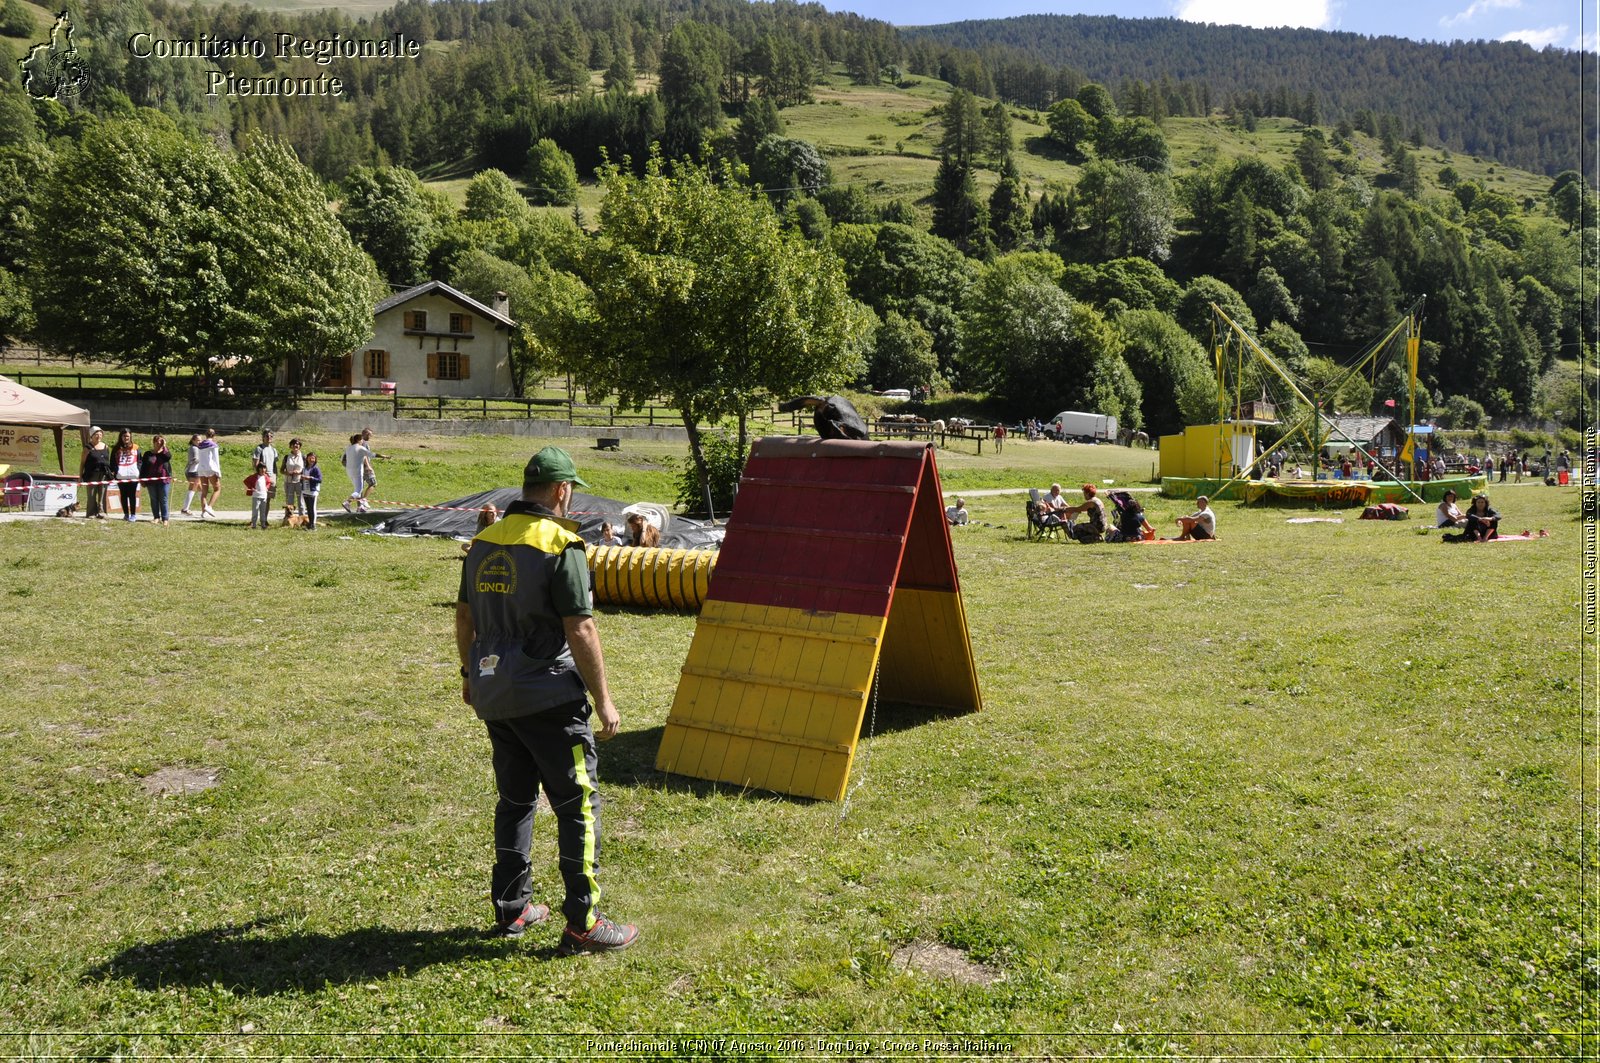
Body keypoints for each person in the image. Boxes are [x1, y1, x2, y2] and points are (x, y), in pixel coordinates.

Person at [456, 446, 639, 953]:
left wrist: (470, 673)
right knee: (577, 804)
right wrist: (604, 701)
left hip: (494, 693)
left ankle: (512, 911)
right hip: (549, 698)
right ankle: (584, 924)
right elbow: (579, 626)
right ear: (562, 491)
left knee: (515, 801)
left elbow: (464, 618)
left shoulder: (483, 541)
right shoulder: (562, 545)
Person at [140, 435, 172, 526]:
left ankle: (165, 519)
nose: (159, 443)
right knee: (154, 499)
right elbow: (143, 467)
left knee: (164, 499)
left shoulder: (165, 453)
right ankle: (156, 517)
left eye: (161, 441)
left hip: (164, 479)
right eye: (157, 441)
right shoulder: (148, 454)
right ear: (153, 442)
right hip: (151, 480)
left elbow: (168, 457)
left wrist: (164, 446)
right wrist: (142, 479)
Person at [79, 427, 111, 520]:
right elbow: (82, 463)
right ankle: (91, 512)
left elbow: (107, 459)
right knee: (91, 494)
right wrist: (80, 476)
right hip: (91, 474)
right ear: (92, 436)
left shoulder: (106, 446)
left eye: (100, 434)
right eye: (96, 434)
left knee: (103, 493)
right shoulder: (87, 448)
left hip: (104, 474)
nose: (99, 436)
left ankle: (102, 512)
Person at [111, 429, 141, 522]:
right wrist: (116, 471)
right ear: (121, 437)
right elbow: (112, 462)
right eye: (124, 436)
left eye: (127, 436)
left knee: (132, 495)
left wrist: (138, 470)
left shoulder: (136, 447)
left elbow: (140, 461)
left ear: (130, 436)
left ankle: (133, 515)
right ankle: (126, 514)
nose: (126, 438)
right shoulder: (116, 448)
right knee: (123, 495)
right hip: (121, 475)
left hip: (133, 475)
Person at [194, 428, 222, 518]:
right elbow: (216, 459)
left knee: (204, 491)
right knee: (217, 488)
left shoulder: (200, 445)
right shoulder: (214, 445)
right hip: (210, 468)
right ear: (214, 435)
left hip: (201, 469)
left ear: (206, 435)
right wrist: (218, 472)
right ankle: (209, 507)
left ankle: (204, 512)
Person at [341, 433, 371, 514]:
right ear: (358, 440)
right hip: (358, 471)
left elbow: (342, 460)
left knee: (357, 489)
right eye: (361, 440)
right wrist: (383, 456)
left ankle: (360, 507)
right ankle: (347, 502)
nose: (362, 441)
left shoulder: (349, 448)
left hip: (350, 471)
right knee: (359, 489)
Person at [251, 430, 279, 512]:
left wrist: (275, 476)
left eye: (271, 436)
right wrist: (258, 476)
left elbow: (274, 464)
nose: (269, 437)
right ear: (263, 437)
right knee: (259, 498)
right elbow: (256, 463)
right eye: (267, 436)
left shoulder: (274, 450)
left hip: (271, 476)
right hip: (262, 476)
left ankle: (265, 519)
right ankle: (255, 519)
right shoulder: (259, 448)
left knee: (268, 499)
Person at [244, 462, 274, 530]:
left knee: (263, 511)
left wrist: (267, 487)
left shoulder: (266, 476)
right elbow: (246, 481)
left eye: (264, 468)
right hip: (256, 496)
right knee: (255, 510)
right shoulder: (255, 476)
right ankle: (253, 524)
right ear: (258, 469)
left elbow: (269, 482)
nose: (263, 470)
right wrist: (251, 487)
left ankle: (263, 524)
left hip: (264, 496)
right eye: (261, 468)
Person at [280, 438, 306, 516]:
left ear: (300, 446)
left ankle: (302, 518)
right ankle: (288, 519)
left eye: (297, 444)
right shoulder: (287, 457)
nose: (295, 445)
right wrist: (287, 473)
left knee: (301, 501)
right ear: (290, 446)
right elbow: (281, 470)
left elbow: (307, 470)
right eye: (294, 444)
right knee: (289, 502)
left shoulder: (303, 457)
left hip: (299, 482)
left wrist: (300, 472)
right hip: (289, 482)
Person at [180, 434, 203, 515]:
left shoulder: (193, 447)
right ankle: (185, 509)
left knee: (201, 489)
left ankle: (205, 507)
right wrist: (203, 459)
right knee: (192, 490)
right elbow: (196, 460)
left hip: (192, 470)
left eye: (201, 440)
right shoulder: (195, 448)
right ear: (193, 441)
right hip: (194, 471)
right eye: (198, 440)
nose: (200, 442)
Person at [301, 452, 323, 530]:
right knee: (308, 508)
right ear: (307, 459)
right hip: (305, 490)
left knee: (312, 508)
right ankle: (310, 524)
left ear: (315, 459)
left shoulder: (316, 469)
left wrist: (310, 478)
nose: (311, 459)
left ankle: (313, 525)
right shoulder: (304, 469)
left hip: (313, 491)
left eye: (313, 458)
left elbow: (319, 479)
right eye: (310, 458)